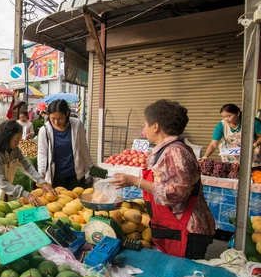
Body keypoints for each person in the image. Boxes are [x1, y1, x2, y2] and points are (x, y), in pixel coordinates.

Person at [110, 100, 216, 259]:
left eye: (145, 123)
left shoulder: (174, 152)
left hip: (187, 230)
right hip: (174, 227)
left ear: (155, 126)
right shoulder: (167, 150)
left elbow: (176, 192)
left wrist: (135, 181)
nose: (143, 128)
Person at [0, 120, 56, 211]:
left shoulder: (15, 150)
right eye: (16, 139)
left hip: (4, 194)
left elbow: (27, 166)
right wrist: (26, 194)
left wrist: (42, 181)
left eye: (20, 138)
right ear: (7, 138)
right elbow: (2, 182)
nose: (18, 142)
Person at [37, 100, 93, 189]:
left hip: (75, 175)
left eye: (60, 118)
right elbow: (42, 153)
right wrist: (41, 173)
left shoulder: (77, 125)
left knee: (76, 201)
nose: (56, 122)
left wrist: (91, 167)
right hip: (56, 177)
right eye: (53, 118)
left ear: (66, 114)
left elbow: (83, 148)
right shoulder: (44, 130)